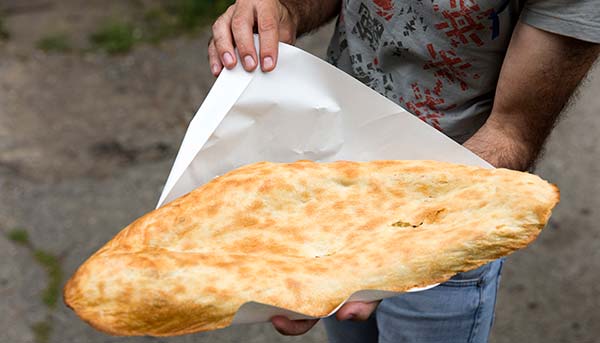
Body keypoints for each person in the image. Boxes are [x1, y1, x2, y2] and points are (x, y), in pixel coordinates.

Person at [207, 1, 599, 342]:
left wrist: (384, 249)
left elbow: (510, 134)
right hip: (333, 172)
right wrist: (284, 9)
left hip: (445, 218)